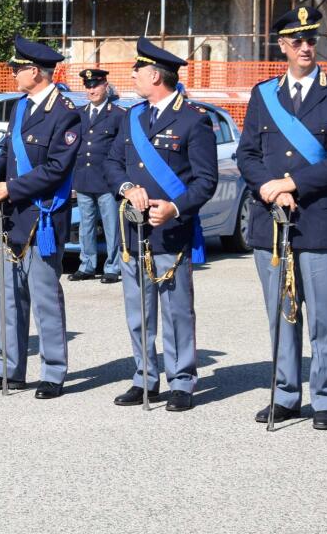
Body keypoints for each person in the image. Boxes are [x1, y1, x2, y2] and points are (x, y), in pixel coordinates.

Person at [236, 6, 327, 431]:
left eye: (311, 39)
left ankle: (326, 396)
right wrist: (269, 188)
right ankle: (286, 394)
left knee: (325, 315)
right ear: (282, 46)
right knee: (282, 312)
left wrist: (291, 184)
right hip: (271, 220)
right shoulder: (263, 93)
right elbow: (247, 154)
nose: (306, 46)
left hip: (319, 219)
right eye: (297, 40)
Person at [106, 38, 218, 411]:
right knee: (138, 309)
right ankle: (144, 377)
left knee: (176, 311)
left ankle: (182, 380)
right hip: (133, 229)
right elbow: (112, 163)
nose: (133, 76)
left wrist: (174, 207)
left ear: (154, 75)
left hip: (171, 229)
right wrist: (126, 187)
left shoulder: (194, 119)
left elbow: (206, 181)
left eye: (137, 70)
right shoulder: (132, 116)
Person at [0, 37, 81, 398]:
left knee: (44, 296)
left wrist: (11, 188)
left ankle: (53, 372)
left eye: (17, 68)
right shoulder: (20, 107)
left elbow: (56, 168)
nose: (13, 73)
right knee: (10, 296)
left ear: (35, 71)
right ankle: (8, 368)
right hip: (13, 214)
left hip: (43, 216)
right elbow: (8, 150)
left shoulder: (65, 111)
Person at [70, 68, 127, 284]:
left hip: (107, 181)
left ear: (105, 86)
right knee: (86, 225)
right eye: (88, 86)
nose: (92, 89)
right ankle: (87, 265)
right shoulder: (79, 114)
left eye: (95, 85)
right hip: (84, 177)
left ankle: (113, 267)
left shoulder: (119, 114)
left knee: (112, 225)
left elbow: (122, 148)